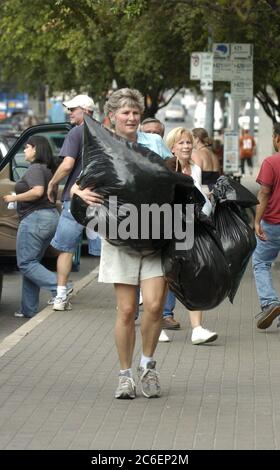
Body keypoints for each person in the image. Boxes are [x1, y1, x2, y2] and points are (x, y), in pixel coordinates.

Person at [71, 88, 170, 399]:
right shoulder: (102, 151)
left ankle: (148, 367)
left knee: (154, 306)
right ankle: (125, 375)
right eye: (125, 112)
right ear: (111, 117)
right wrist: (78, 194)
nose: (132, 117)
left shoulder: (152, 146)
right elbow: (78, 186)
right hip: (120, 239)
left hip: (155, 236)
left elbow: (172, 184)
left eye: (135, 112)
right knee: (127, 310)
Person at [165, 127, 218, 345]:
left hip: (191, 226)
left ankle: (197, 329)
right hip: (169, 227)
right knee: (166, 277)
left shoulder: (195, 168)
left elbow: (196, 194)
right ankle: (158, 321)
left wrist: (207, 196)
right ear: (172, 147)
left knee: (193, 274)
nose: (186, 146)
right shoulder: (168, 166)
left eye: (188, 142)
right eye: (181, 143)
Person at [3, 136, 60, 318]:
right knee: (32, 262)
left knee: (26, 263)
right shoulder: (47, 169)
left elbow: (37, 192)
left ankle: (61, 287)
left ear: (36, 149)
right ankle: (28, 309)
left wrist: (14, 198)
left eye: (26, 147)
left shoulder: (35, 168)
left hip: (35, 220)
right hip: (48, 218)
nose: (24, 151)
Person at [47, 94, 94, 311]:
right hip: (101, 199)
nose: (70, 113)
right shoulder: (105, 133)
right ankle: (133, 298)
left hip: (76, 199)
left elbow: (67, 165)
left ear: (85, 110)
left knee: (64, 248)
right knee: (116, 249)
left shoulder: (77, 132)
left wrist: (51, 184)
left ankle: (60, 296)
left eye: (73, 109)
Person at [140, 117, 180, 341]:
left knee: (168, 271)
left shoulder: (169, 159)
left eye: (157, 133)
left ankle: (164, 315)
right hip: (137, 222)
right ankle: (148, 314)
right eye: (148, 133)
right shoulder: (133, 152)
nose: (153, 137)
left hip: (166, 222)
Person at [253, 123, 280, 329]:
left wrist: (256, 221)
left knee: (261, 262)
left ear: (276, 139)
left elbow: (264, 193)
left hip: (272, 223)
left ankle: (270, 302)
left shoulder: (271, 162)